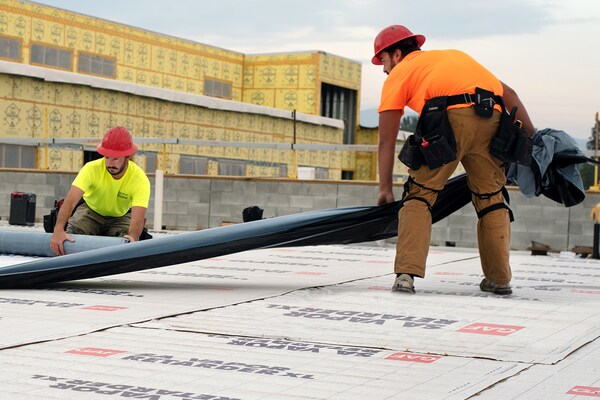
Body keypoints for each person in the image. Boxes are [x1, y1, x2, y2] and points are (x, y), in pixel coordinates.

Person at [373, 25, 534, 295]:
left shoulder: (400, 73)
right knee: (491, 197)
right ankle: (500, 278)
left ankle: (406, 275)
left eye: (383, 60)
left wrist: (385, 189)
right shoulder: (454, 56)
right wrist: (533, 140)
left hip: (449, 119)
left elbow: (386, 141)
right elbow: (512, 95)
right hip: (492, 117)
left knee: (420, 195)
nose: (383, 69)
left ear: (397, 54)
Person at [50, 126, 151, 256]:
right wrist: (58, 230)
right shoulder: (91, 169)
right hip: (91, 211)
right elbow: (69, 202)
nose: (110, 163)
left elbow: (137, 219)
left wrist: (133, 238)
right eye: (107, 157)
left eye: (116, 158)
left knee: (124, 243)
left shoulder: (140, 179)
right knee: (72, 237)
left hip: (120, 217)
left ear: (128, 157)